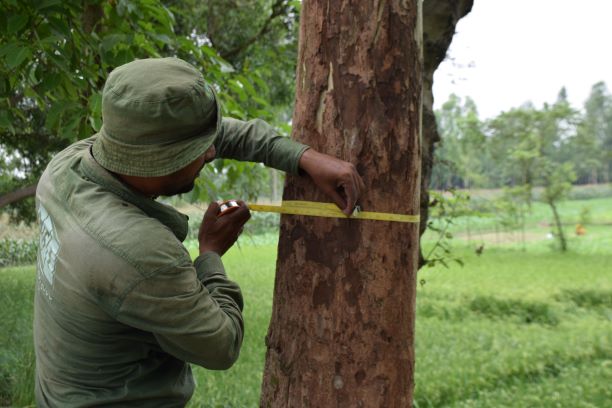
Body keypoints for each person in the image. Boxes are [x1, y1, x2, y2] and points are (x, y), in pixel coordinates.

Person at [33, 57, 364, 406]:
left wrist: (301, 156)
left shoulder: (67, 166)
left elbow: (215, 135)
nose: (211, 153)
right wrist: (210, 255)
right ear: (157, 160)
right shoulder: (135, 251)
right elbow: (221, 346)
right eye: (196, 150)